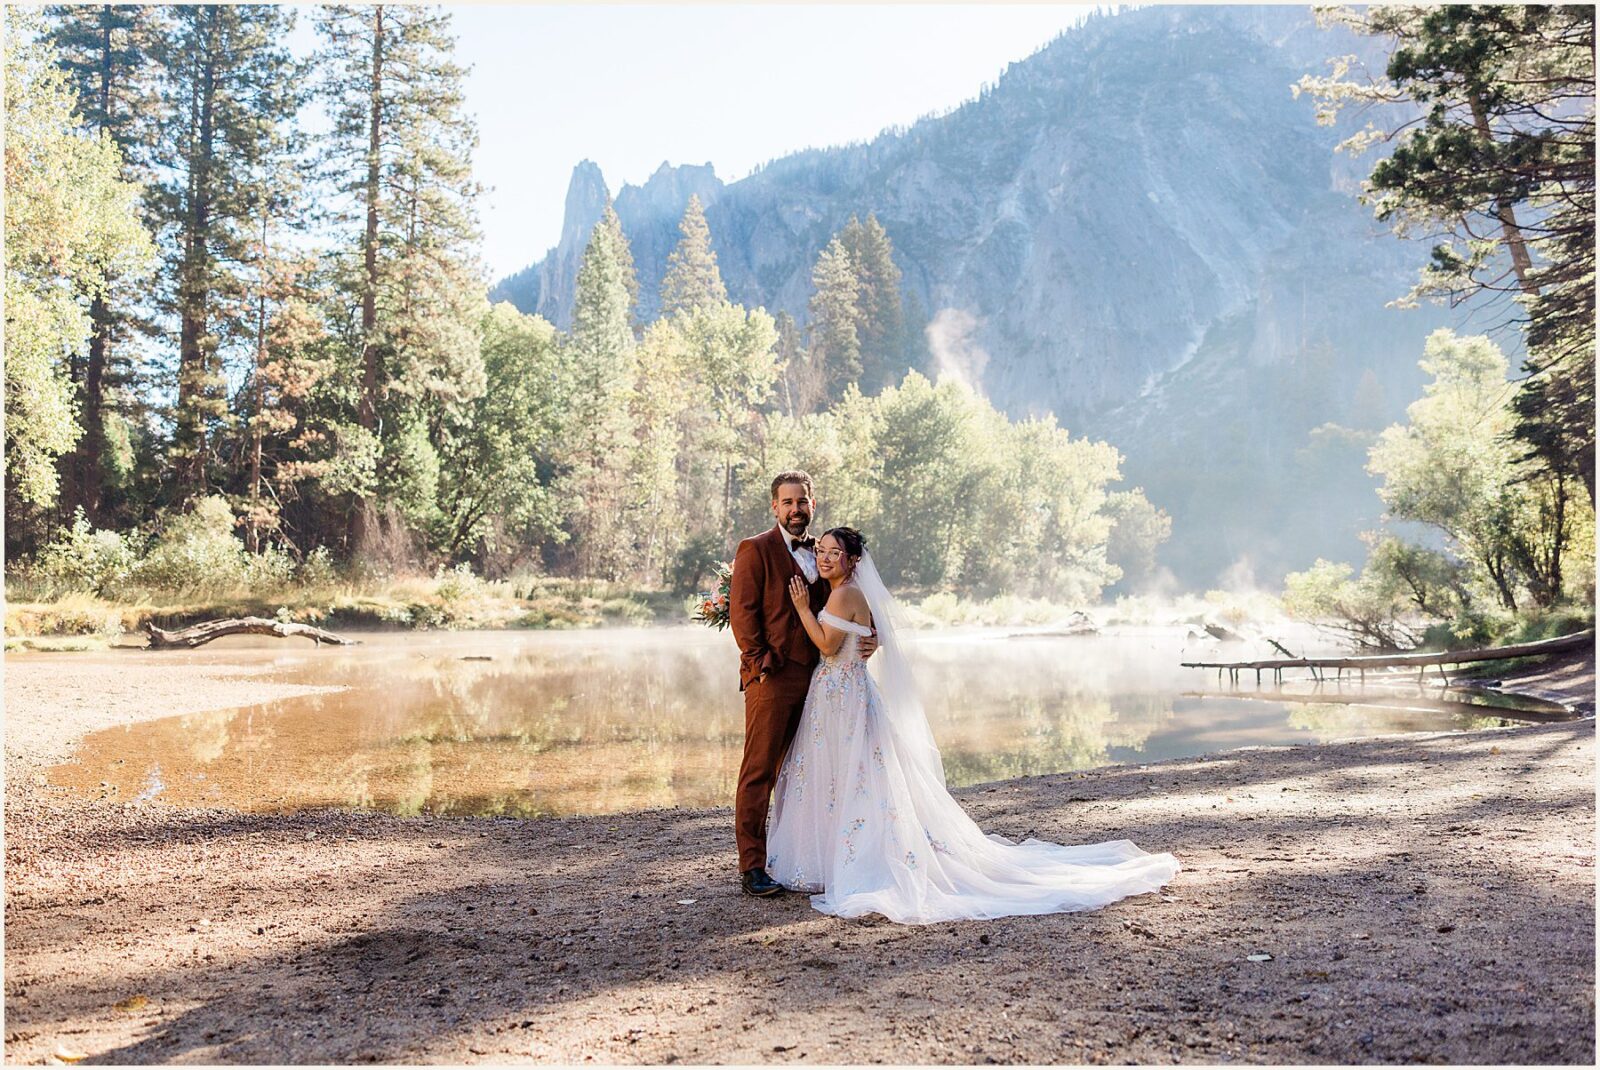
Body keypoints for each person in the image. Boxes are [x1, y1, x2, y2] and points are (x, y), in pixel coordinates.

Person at [764, 526, 1181, 923]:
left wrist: (802, 608)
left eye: (834, 553)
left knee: (852, 776)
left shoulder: (843, 594)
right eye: (821, 552)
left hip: (841, 695)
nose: (825, 558)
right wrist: (868, 640)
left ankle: (858, 859)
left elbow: (826, 644)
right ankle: (843, 854)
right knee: (855, 777)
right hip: (844, 694)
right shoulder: (846, 592)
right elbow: (873, 633)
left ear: (853, 560)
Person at [727, 471, 877, 897]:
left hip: (821, 683)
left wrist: (874, 637)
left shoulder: (825, 552)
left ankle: (795, 855)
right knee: (759, 771)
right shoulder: (755, 550)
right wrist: (759, 667)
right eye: (788, 502)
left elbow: (857, 605)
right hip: (772, 681)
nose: (796, 510)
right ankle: (752, 866)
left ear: (812, 504)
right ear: (774, 506)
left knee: (803, 773)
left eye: (802, 502)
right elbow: (743, 617)